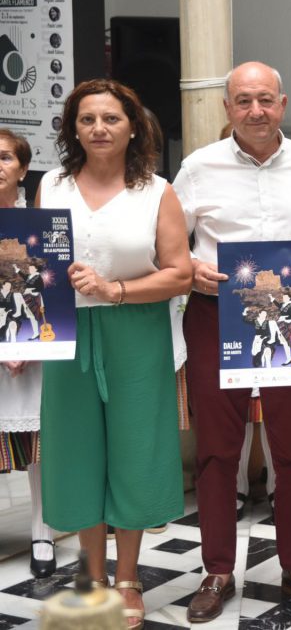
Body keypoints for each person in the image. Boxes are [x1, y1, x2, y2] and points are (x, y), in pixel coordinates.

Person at [173, 61, 291, 621]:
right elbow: (168, 245)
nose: (255, 111)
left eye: (266, 100)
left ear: (283, 104)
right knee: (217, 450)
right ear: (227, 108)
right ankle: (217, 570)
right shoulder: (197, 168)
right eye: (244, 101)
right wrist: (191, 268)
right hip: (216, 316)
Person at [38, 80, 193, 628]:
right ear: (73, 129)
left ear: (133, 127)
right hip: (68, 333)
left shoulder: (156, 191)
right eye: (87, 120)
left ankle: (127, 578)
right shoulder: (52, 185)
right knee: (76, 452)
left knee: (135, 451)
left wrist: (114, 289)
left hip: (136, 328)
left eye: (111, 119)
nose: (99, 129)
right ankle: (93, 579)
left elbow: (180, 273)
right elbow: (37, 263)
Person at [0, 128, 55, 579]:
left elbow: (53, 287)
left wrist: (24, 344)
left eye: (4, 157)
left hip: (34, 349)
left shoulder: (41, 224)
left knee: (40, 443)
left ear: (23, 168)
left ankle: (43, 532)